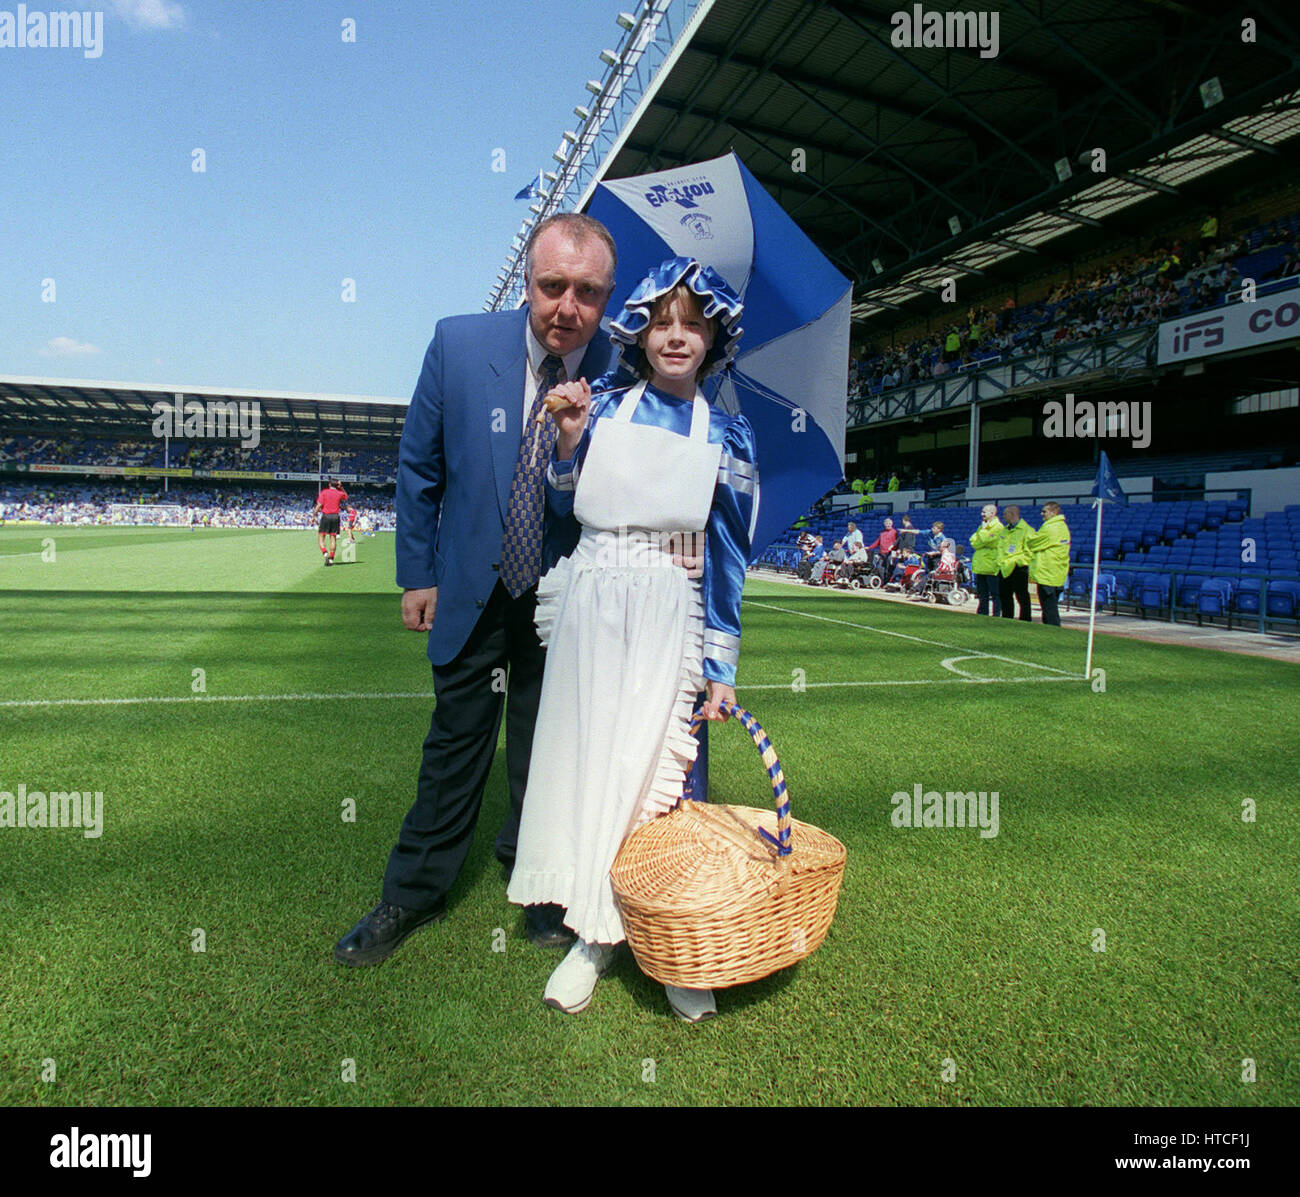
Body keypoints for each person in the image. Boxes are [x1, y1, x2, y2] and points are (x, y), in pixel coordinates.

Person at [333, 213, 620, 967]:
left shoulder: (625, 372)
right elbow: (420, 468)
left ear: (607, 297)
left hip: (563, 593)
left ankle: (541, 883)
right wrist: (417, 572)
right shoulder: (458, 345)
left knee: (548, 746)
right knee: (455, 744)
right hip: (470, 585)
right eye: (552, 285)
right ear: (528, 282)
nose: (566, 307)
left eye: (586, 292)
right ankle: (412, 891)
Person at [507, 257, 755, 1024]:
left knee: (668, 784)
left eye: (694, 323)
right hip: (593, 604)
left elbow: (728, 552)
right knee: (590, 767)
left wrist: (720, 665)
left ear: (714, 337)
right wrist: (571, 440)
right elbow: (563, 499)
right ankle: (591, 935)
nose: (677, 336)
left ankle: (674, 946)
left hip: (669, 614)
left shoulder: (730, 432)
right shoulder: (604, 405)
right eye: (662, 322)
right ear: (640, 334)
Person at [1027, 501, 1070, 626]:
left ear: (1053, 512)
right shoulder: (1062, 527)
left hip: (1047, 573)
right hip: (1056, 573)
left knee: (1049, 608)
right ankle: (1049, 629)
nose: (1042, 514)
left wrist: (1029, 533)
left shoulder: (1050, 528)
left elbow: (1033, 543)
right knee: (1050, 607)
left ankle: (1053, 631)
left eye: (1044, 511)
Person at [997, 504, 1035, 621]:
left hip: (1018, 568)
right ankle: (1007, 618)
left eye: (1005, 514)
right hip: (1004, 567)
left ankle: (1025, 619)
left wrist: (1016, 562)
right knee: (1005, 595)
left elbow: (1030, 552)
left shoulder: (1027, 530)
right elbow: (1000, 547)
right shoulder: (1005, 530)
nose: (1003, 516)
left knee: (1022, 595)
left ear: (1012, 514)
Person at [969, 503, 1004, 616]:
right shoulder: (982, 526)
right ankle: (982, 613)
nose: (982, 514)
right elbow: (974, 542)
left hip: (992, 565)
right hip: (981, 565)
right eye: (982, 511)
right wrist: (983, 540)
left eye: (984, 512)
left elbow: (984, 540)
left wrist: (983, 534)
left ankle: (996, 614)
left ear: (992, 513)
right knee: (982, 593)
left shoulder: (998, 527)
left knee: (995, 593)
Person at [313, 479, 348, 564]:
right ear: (337, 486)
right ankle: (331, 558)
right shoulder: (339, 493)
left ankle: (325, 553)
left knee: (321, 537)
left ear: (329, 485)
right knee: (333, 538)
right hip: (336, 517)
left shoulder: (324, 492)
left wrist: (314, 514)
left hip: (326, 516)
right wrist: (341, 487)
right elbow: (346, 496)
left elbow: (319, 504)